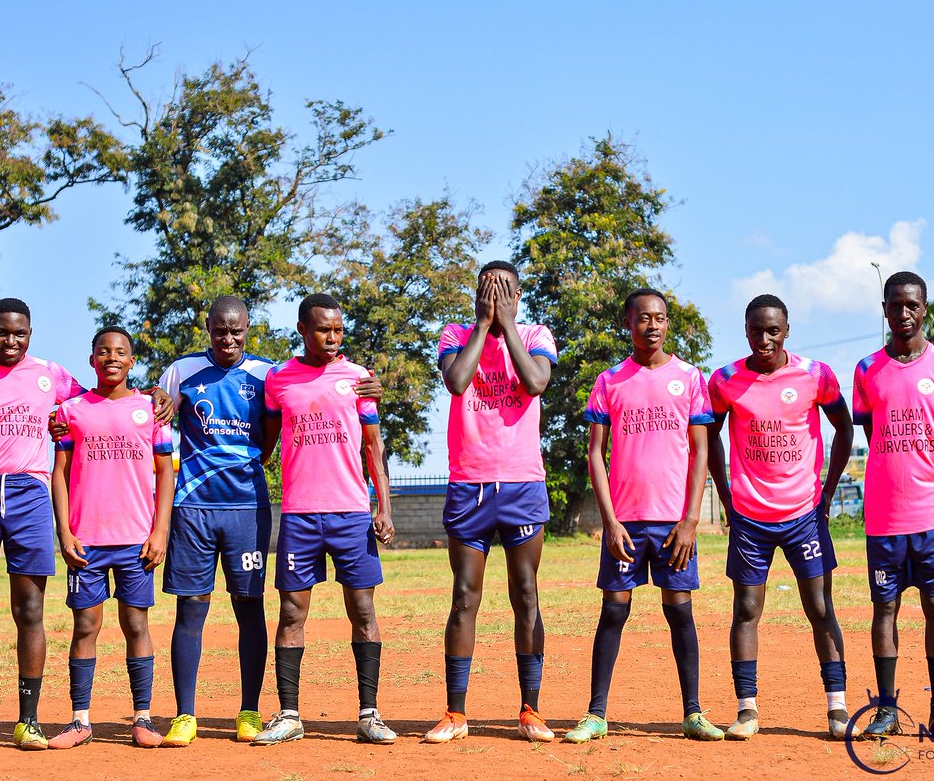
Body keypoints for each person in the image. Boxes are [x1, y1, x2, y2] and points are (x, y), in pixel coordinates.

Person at [0, 298, 171, 753]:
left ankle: (28, 721)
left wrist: (157, 392)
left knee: (30, 610)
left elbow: (106, 390)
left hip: (29, 496)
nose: (10, 341)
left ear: (30, 334)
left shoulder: (51, 376)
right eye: (1, 332)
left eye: (19, 333)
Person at [155, 295, 382, 747]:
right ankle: (185, 714)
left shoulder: (266, 373)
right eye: (220, 330)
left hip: (249, 508)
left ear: (248, 329)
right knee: (191, 610)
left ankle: (249, 711)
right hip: (193, 508)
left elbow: (293, 423)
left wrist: (371, 390)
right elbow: (152, 416)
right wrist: (147, 394)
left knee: (251, 609)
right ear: (207, 327)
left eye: (236, 330)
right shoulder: (181, 372)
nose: (228, 338)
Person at [563, 289, 724, 744]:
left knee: (680, 613)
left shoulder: (690, 378)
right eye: (643, 319)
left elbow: (700, 449)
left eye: (660, 318)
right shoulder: (610, 380)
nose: (652, 326)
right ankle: (596, 714)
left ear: (667, 323)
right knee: (614, 612)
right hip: (626, 524)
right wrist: (609, 521)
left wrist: (691, 518)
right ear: (628, 324)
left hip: (675, 523)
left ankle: (693, 713)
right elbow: (595, 454)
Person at [707, 294, 857, 740]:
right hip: (750, 517)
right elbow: (709, 435)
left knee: (819, 607)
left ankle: (837, 708)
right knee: (747, 609)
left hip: (804, 515)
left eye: (773, 330)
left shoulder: (815, 375)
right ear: (746, 331)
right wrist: (726, 492)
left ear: (787, 330)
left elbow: (845, 427)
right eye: (756, 330)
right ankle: (747, 710)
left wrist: (828, 490)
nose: (765, 338)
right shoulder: (726, 379)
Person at [252, 293, 396, 746]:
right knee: (292, 612)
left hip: (351, 513)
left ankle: (369, 713)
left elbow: (373, 446)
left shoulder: (358, 379)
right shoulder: (279, 380)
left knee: (363, 609)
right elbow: (267, 442)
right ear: (302, 329)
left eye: (338, 330)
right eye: (322, 330)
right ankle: (290, 715)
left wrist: (384, 505)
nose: (332, 338)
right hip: (298, 514)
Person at [423, 260, 558, 744]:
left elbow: (535, 383)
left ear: (518, 297)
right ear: (475, 296)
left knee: (526, 594)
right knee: (464, 597)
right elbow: (457, 382)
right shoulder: (454, 334)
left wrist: (509, 326)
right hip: (469, 485)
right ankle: (455, 713)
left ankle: (530, 709)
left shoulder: (538, 334)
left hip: (521, 483)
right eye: (487, 291)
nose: (496, 298)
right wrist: (483, 324)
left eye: (504, 293)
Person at [852, 272, 934, 740]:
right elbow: (870, 431)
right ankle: (886, 709)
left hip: (931, 513)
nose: (903, 313)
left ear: (925, 308)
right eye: (894, 304)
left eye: (912, 304)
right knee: (885, 608)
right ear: (884, 309)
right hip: (884, 514)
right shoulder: (866, 369)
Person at [46, 326, 175, 749]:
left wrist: (160, 531)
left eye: (121, 352)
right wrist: (64, 532)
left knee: (136, 622)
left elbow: (165, 473)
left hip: (136, 539)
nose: (112, 358)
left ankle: (143, 717)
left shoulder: (149, 411)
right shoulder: (71, 411)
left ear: (132, 361)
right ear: (92, 360)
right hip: (87, 541)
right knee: (85, 624)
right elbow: (59, 474)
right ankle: (80, 720)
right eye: (104, 351)